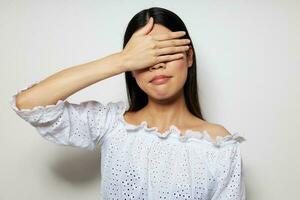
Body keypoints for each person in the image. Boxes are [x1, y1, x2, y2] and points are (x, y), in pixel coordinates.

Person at [10, 7, 246, 200]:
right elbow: (28, 104)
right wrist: (122, 60)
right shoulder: (111, 123)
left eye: (165, 51)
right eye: (145, 56)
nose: (156, 64)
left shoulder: (220, 145)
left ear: (189, 56)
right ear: (131, 69)